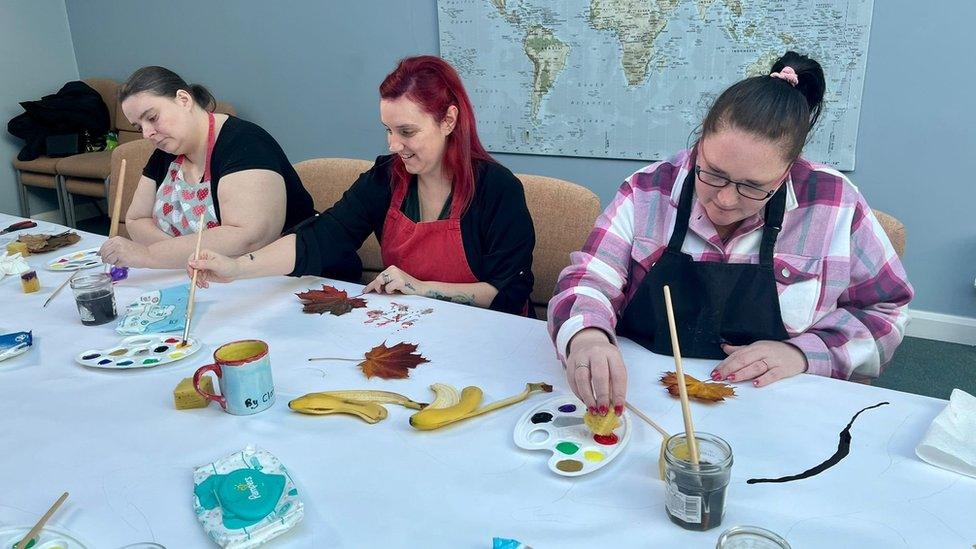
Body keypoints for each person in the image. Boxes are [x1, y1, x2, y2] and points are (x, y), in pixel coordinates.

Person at [548, 51, 913, 416]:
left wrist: (805, 352)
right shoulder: (647, 191)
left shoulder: (834, 202)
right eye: (713, 173)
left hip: (776, 407)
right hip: (644, 397)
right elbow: (588, 279)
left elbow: (885, 312)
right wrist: (587, 336)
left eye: (753, 187)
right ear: (700, 143)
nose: (724, 200)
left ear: (789, 170)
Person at [189, 55, 536, 315]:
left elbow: (506, 290)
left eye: (407, 132)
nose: (393, 145)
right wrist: (237, 268)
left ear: (448, 120)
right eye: (388, 129)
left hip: (486, 334)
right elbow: (322, 237)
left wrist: (420, 288)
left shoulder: (497, 189)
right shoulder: (386, 178)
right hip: (413, 324)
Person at [98, 66, 315, 269]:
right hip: (207, 275)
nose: (146, 133)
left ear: (183, 99)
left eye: (152, 118)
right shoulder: (165, 153)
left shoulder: (246, 144)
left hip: (284, 274)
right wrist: (180, 256)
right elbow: (136, 219)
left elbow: (248, 238)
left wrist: (154, 255)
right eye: (138, 126)